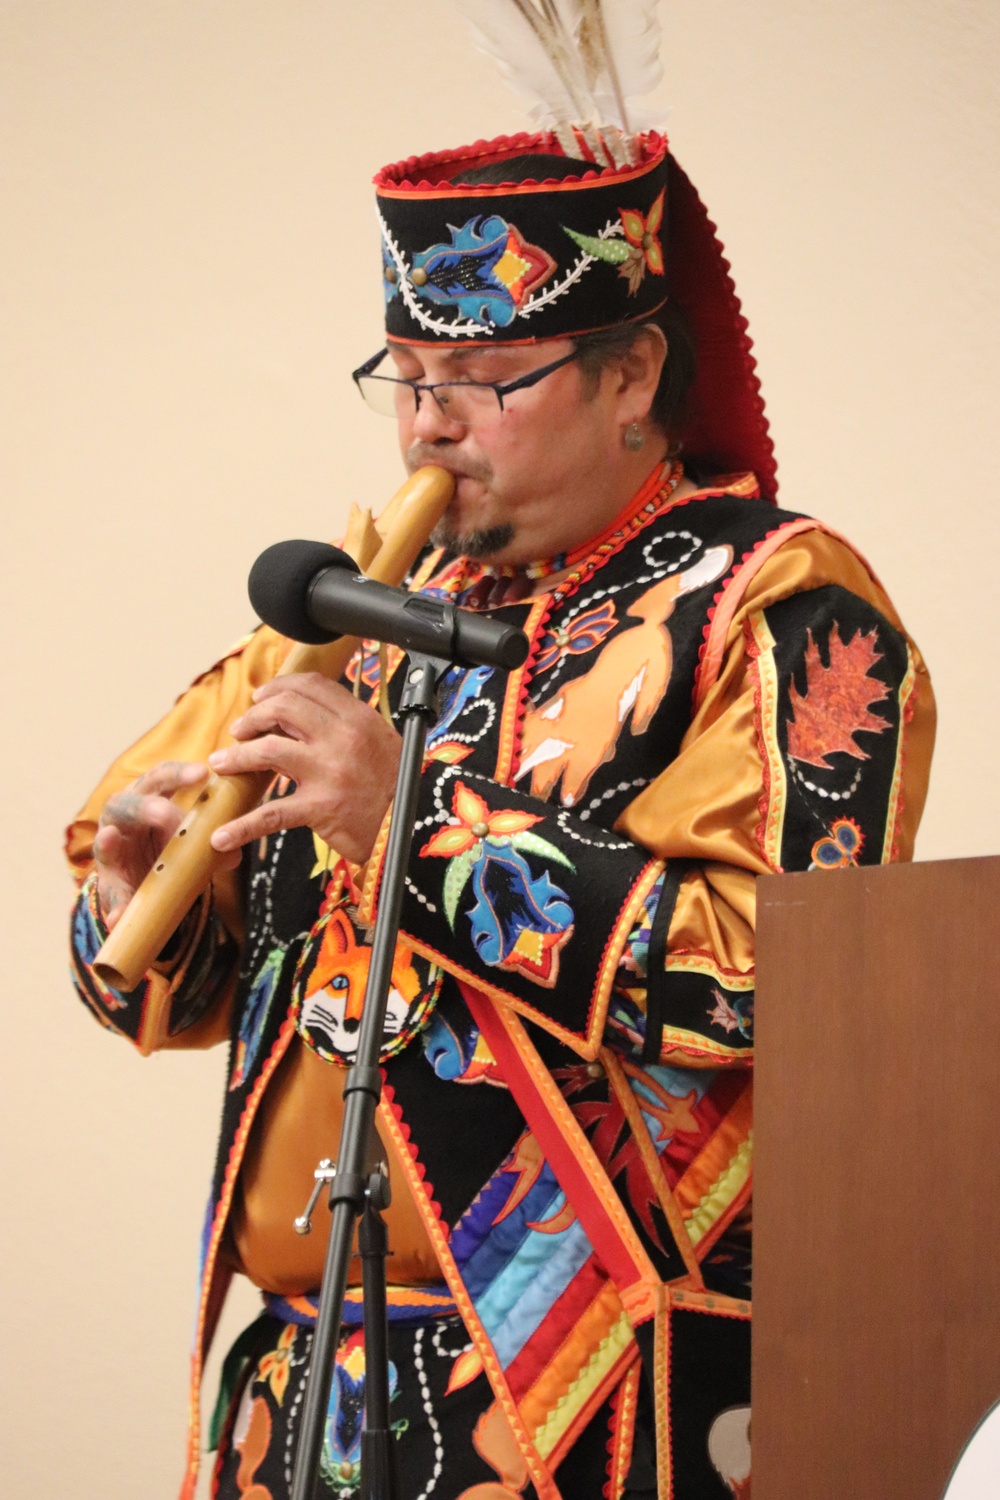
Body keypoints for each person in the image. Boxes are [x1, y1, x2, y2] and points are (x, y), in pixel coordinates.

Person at [67, 130, 934, 1500]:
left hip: (594, 1396)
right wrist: (138, 900)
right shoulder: (362, 603)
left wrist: (403, 822)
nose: (426, 426)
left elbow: (771, 985)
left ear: (634, 373)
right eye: (404, 382)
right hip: (297, 1393)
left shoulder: (774, 604)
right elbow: (199, 998)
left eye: (482, 383)